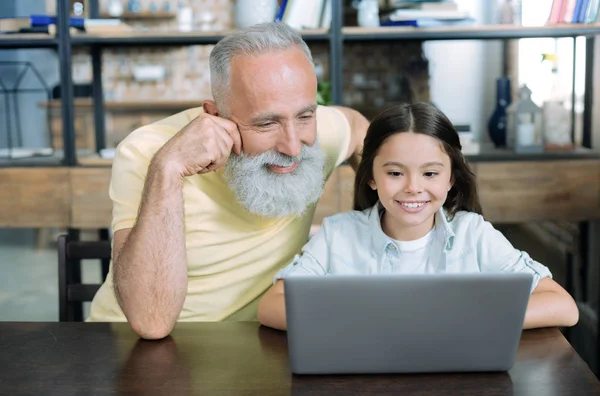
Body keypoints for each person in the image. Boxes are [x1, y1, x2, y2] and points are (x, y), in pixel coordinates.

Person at [87, 22, 369, 339]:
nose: (292, 146)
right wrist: (169, 168)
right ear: (215, 116)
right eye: (266, 124)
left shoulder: (316, 135)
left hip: (256, 347)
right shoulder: (146, 152)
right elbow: (151, 324)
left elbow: (360, 131)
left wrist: (377, 227)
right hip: (137, 351)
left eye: (305, 116)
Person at [257, 102, 579, 331]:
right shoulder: (338, 235)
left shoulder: (474, 235)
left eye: (430, 173)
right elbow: (272, 306)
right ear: (371, 176)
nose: (413, 188)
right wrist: (368, 319)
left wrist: (469, 318)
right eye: (395, 172)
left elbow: (563, 307)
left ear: (451, 179)